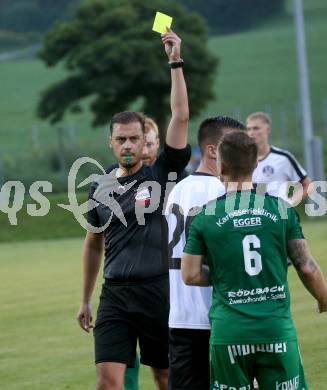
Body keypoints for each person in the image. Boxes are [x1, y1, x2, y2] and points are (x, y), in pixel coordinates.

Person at [77, 29, 191, 390]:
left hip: (157, 292)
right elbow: (93, 243)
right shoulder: (100, 186)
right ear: (110, 142)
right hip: (114, 296)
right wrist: (84, 299)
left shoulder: (162, 174)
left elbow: (181, 116)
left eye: (134, 138)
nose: (128, 144)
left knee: (164, 377)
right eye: (121, 139)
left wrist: (175, 62)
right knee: (107, 382)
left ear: (145, 143)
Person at [181, 130, 327, 389]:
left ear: (221, 165)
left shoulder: (204, 216)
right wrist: (324, 298)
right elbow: (306, 266)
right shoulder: (281, 209)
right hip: (274, 329)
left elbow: (190, 274)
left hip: (229, 333)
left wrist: (228, 274)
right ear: (257, 163)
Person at [165, 116, 244, 389]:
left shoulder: (177, 191)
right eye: (234, 145)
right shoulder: (224, 190)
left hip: (180, 318)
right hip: (220, 318)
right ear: (212, 150)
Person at [246, 111, 311, 204]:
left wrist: (288, 203)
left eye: (256, 128)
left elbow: (307, 185)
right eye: (249, 129)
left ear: (267, 129)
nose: (251, 132)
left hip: (277, 216)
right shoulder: (241, 159)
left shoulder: (283, 158)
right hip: (251, 216)